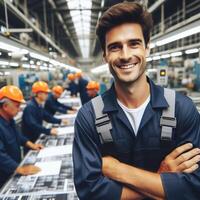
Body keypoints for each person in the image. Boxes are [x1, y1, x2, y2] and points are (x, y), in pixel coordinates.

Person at [73, 2, 200, 200]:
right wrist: (162, 181)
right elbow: (90, 192)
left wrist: (118, 170)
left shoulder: (182, 109)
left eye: (134, 43)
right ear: (105, 56)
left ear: (147, 48)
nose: (125, 55)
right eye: (115, 47)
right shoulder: (88, 117)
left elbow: (194, 187)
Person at [0, 86, 43, 188]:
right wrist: (19, 169)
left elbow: (18, 136)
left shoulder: (10, 120)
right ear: (5, 106)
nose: (19, 110)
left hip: (12, 170)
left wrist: (31, 144)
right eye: (17, 106)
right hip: (3, 176)